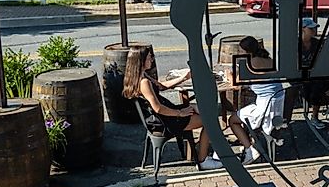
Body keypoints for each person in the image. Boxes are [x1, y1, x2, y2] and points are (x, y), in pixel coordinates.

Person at [121, 46, 222, 170]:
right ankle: (203, 160)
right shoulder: (144, 83)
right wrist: (180, 112)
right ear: (141, 61)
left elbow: (162, 86)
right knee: (210, 122)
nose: (151, 60)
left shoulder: (141, 77)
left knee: (202, 109)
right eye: (149, 58)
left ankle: (211, 147)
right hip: (165, 121)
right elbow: (158, 108)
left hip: (161, 117)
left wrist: (184, 77)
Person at [225, 36, 285, 164]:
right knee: (246, 112)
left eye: (241, 51)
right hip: (277, 103)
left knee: (233, 120)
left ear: (246, 51)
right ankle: (251, 142)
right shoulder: (268, 59)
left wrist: (229, 75)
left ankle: (249, 150)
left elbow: (236, 85)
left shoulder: (251, 63)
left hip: (265, 106)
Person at [300, 18, 329, 129]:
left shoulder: (316, 43)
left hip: (315, 72)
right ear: (303, 29)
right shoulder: (294, 43)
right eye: (311, 28)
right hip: (301, 74)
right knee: (318, 83)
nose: (314, 30)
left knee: (322, 81)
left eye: (314, 28)